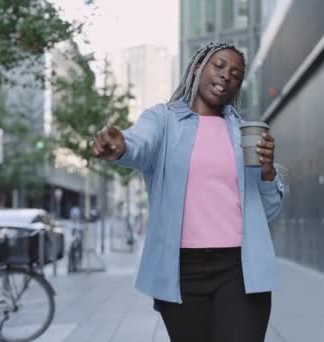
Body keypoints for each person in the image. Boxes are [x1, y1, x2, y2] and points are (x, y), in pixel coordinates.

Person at [90, 41, 284, 342]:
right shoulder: (163, 120)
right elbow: (140, 144)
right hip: (181, 271)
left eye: (235, 74)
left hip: (240, 270)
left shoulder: (244, 132)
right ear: (198, 67)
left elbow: (268, 211)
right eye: (218, 66)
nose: (225, 76)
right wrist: (121, 146)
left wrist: (268, 172)